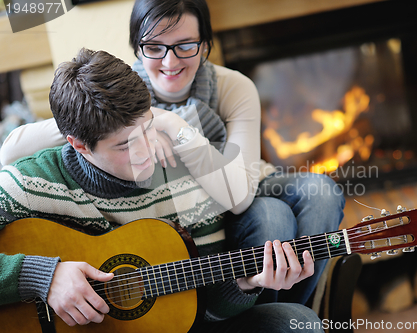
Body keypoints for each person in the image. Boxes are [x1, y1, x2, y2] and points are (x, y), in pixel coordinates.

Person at [0, 0, 345, 306]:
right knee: (273, 218)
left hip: (241, 178)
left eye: (186, 46)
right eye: (155, 47)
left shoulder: (232, 86)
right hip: (196, 195)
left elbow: (240, 193)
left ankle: (296, 306)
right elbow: (12, 149)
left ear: (206, 45)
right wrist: (133, 124)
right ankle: (266, 308)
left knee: (324, 193)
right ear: (137, 48)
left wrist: (169, 124)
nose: (170, 61)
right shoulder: (118, 95)